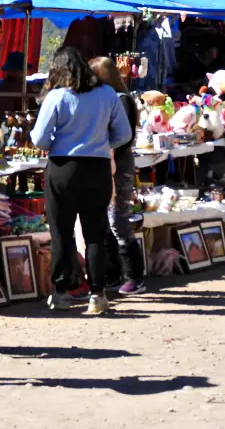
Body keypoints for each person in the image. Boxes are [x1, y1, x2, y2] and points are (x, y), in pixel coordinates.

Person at [31, 47, 132, 315]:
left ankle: (61, 292)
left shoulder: (57, 96)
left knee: (61, 232)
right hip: (98, 167)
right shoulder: (107, 94)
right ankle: (98, 294)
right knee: (95, 232)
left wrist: (58, 143)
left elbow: (39, 138)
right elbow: (124, 134)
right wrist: (101, 144)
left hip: (63, 167)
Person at [89, 56, 145, 295]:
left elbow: (123, 137)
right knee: (105, 221)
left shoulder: (121, 100)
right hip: (105, 163)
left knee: (118, 220)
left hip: (118, 165)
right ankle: (112, 273)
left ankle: (134, 276)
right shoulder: (109, 99)